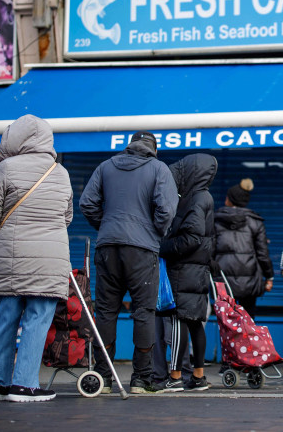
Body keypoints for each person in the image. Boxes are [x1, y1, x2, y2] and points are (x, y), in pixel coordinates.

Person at [0, 115, 72, 402]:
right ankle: (24, 385)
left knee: (5, 319)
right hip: (49, 259)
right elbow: (66, 217)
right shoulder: (61, 172)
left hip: (9, 256)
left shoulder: (6, 167)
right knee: (37, 321)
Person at [79, 131, 178, 394]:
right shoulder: (159, 169)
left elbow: (87, 202)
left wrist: (107, 225)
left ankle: (103, 376)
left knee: (106, 312)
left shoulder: (105, 167)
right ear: (153, 148)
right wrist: (152, 231)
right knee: (143, 313)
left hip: (108, 248)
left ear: (129, 145)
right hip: (142, 251)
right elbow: (166, 210)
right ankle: (141, 379)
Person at [155, 154, 217, 393]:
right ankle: (198, 377)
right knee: (194, 323)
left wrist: (162, 248)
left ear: (191, 172)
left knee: (180, 320)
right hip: (195, 269)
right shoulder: (202, 197)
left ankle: (175, 376)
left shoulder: (196, 198)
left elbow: (191, 237)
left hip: (185, 268)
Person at [214, 178, 274, 319]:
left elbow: (209, 251)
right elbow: (262, 253)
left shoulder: (215, 220)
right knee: (248, 319)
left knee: (226, 322)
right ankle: (247, 342)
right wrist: (269, 276)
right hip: (250, 281)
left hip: (223, 279)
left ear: (230, 199)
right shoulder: (255, 222)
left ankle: (229, 342)